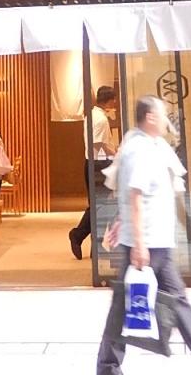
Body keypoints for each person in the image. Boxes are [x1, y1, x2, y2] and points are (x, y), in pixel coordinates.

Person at [96, 96, 191, 375]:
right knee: (125, 305)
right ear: (150, 117)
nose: (166, 121)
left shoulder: (152, 145)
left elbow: (139, 195)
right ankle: (108, 366)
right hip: (146, 242)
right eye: (162, 115)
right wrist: (138, 243)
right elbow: (135, 196)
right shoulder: (139, 149)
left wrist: (123, 222)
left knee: (175, 298)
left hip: (156, 240)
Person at [69, 85, 118, 260]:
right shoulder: (101, 119)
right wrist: (115, 154)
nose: (115, 102)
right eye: (114, 99)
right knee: (101, 206)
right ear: (109, 100)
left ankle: (95, 245)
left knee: (99, 206)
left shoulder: (91, 115)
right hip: (99, 165)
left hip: (91, 163)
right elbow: (98, 145)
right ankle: (78, 235)